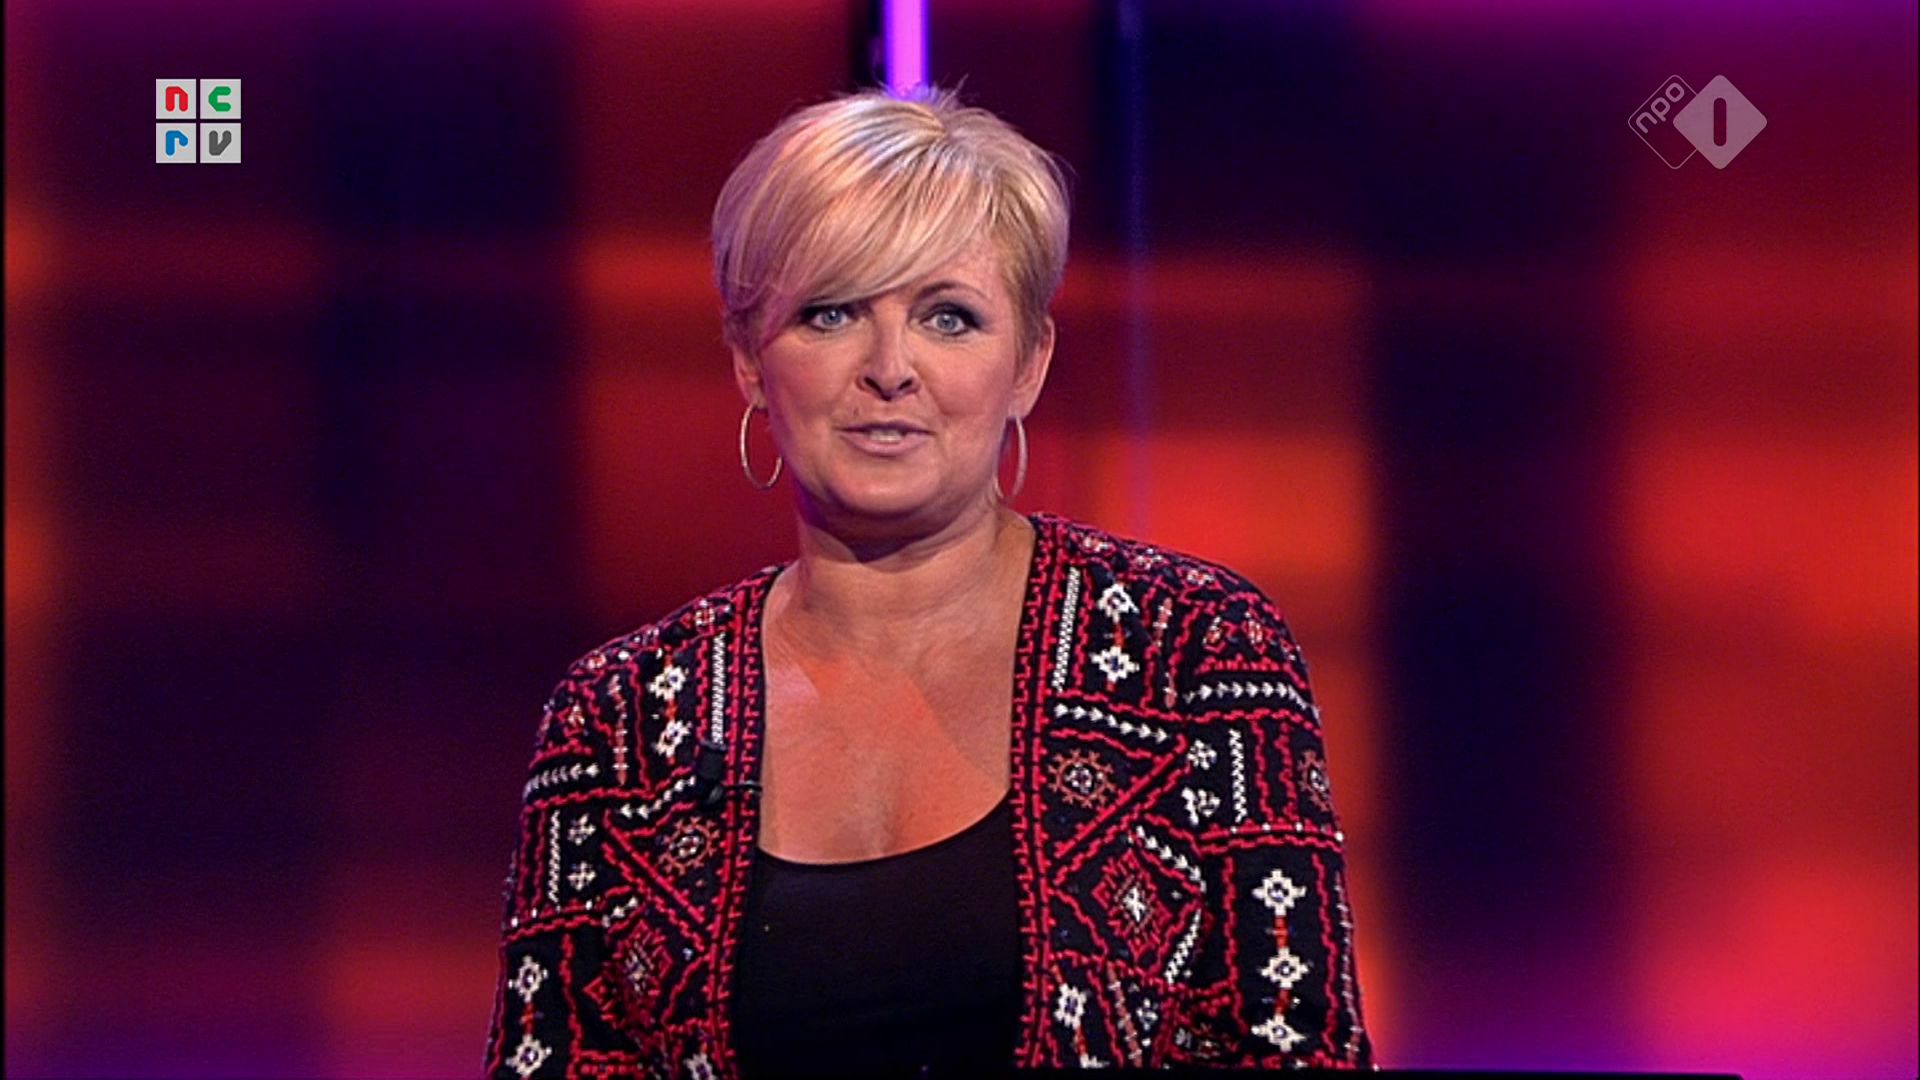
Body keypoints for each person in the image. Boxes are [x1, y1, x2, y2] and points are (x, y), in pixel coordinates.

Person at [484, 85, 1373, 1079]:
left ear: (1028, 364)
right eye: (830, 313)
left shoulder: (1196, 651)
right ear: (749, 361)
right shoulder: (619, 720)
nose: (890, 369)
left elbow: (1300, 1049)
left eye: (949, 318)